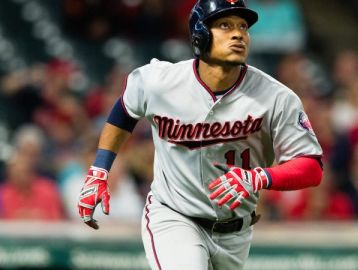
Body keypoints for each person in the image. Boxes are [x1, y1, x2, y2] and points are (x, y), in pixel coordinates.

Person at [76, 1, 324, 270]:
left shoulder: (275, 97)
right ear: (200, 34)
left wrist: (260, 176)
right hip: (174, 216)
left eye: (243, 27)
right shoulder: (161, 81)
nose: (238, 34)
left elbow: (312, 167)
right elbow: (124, 111)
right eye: (225, 25)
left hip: (236, 232)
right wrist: (99, 170)